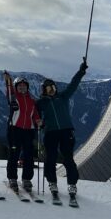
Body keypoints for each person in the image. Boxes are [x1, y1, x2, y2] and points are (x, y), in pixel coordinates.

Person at [36, 60, 87, 201]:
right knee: (50, 158)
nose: (51, 89)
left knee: (68, 159)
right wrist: (39, 122)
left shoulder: (63, 97)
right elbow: (34, 114)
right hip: (51, 132)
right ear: (44, 90)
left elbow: (73, 84)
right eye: (48, 88)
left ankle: (72, 184)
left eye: (52, 87)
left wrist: (81, 71)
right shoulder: (41, 103)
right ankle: (52, 182)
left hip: (66, 131)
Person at [3, 71, 42, 192]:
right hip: (15, 129)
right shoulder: (14, 97)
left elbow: (35, 114)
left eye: (24, 86)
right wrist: (8, 81)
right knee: (14, 154)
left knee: (29, 156)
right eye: (19, 86)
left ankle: (26, 179)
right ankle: (12, 178)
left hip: (28, 130)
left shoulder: (31, 100)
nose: (22, 87)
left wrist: (38, 121)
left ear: (27, 87)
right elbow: (9, 93)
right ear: (16, 87)